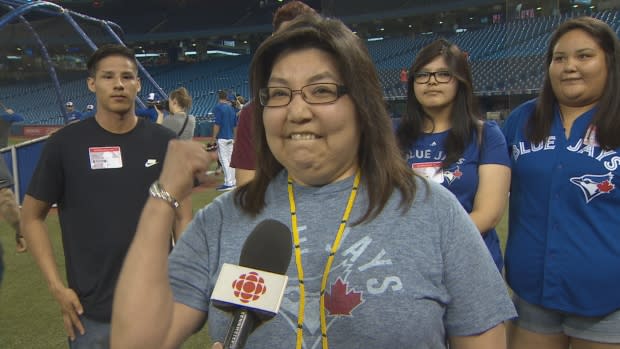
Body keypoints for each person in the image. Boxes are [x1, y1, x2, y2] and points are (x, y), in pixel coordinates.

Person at [111, 15, 516, 349]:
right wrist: (161, 199)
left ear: (363, 105)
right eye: (278, 94)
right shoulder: (224, 219)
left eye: (321, 91)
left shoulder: (433, 210)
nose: (297, 111)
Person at [20, 44, 192, 348]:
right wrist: (56, 287)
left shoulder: (165, 142)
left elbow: (183, 216)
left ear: (138, 84)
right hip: (91, 316)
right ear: (92, 83)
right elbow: (31, 216)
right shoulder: (65, 145)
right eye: (108, 76)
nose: (118, 84)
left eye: (127, 77)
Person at [502, 17, 620, 348]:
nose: (569, 66)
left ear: (609, 61)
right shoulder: (521, 120)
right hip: (533, 296)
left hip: (609, 302)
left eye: (584, 56)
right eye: (559, 58)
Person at [396, 39, 511, 271]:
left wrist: (429, 244)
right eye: (423, 75)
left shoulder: (486, 135)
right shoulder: (391, 134)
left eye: (443, 74)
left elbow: (487, 215)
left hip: (470, 264)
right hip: (408, 265)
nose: (431, 82)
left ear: (460, 80)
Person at [231, 0, 319, 187]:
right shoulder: (253, 114)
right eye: (286, 42)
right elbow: (246, 189)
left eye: (303, 41)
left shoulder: (342, 106)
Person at [0, 106, 27, 254]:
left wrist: (10, 113)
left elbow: (18, 118)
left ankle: (22, 232)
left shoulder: (2, 119)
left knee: (5, 197)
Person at [212, 90, 237, 191]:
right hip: (230, 137)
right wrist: (235, 137)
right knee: (230, 160)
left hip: (222, 137)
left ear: (219, 97)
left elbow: (217, 123)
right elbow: (235, 124)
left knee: (224, 160)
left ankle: (228, 182)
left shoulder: (218, 107)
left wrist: (213, 137)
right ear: (226, 97)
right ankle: (233, 181)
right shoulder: (231, 108)